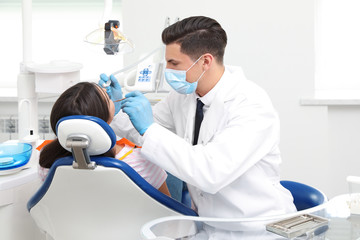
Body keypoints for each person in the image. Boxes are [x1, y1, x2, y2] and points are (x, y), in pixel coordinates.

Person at [99, 16, 296, 219]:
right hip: (208, 224)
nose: (167, 71)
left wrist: (149, 129)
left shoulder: (251, 105)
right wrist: (117, 108)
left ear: (205, 61)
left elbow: (210, 172)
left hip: (253, 226)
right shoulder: (183, 96)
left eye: (173, 63)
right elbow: (144, 132)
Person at [37, 82, 170, 196]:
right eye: (108, 99)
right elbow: (168, 210)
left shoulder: (48, 162)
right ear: (107, 118)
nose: (112, 99)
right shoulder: (140, 162)